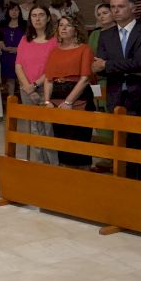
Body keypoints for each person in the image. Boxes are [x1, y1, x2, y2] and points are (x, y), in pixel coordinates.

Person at [93, 0, 141, 179]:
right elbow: (100, 66)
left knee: (138, 144)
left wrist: (108, 65)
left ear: (133, 8)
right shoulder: (106, 35)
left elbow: (139, 62)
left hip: (139, 94)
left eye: (120, 6)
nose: (115, 10)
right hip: (116, 96)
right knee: (121, 145)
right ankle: (125, 184)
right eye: (113, 7)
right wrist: (101, 67)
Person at [42, 16, 94, 168]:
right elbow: (48, 79)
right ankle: (64, 174)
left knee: (78, 140)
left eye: (68, 25)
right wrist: (47, 101)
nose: (63, 28)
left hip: (78, 96)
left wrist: (68, 102)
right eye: (61, 25)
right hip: (56, 97)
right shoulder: (54, 51)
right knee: (61, 139)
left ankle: (82, 174)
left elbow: (85, 78)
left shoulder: (84, 49)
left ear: (76, 29)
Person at [15, 6, 59, 163]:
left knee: (48, 128)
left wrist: (34, 85)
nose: (37, 18)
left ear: (48, 18)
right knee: (34, 128)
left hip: (46, 88)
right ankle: (40, 163)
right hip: (26, 89)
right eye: (34, 15)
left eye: (41, 15)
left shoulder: (54, 40)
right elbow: (18, 65)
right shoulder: (24, 39)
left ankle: (53, 165)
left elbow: (53, 67)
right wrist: (27, 86)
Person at [87, 3, 114, 110]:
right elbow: (89, 56)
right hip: (96, 79)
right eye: (99, 14)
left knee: (113, 109)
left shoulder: (120, 32)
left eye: (105, 13)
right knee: (99, 106)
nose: (101, 16)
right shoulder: (95, 34)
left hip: (113, 78)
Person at [0, 1, 26, 100]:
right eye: (11, 10)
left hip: (20, 54)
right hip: (6, 54)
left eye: (16, 10)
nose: (14, 12)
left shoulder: (24, 23)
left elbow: (28, 41)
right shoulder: (3, 23)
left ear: (19, 12)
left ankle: (24, 101)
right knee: (10, 79)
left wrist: (18, 49)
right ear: (8, 11)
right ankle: (11, 102)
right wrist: (4, 47)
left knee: (22, 78)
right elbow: (0, 39)